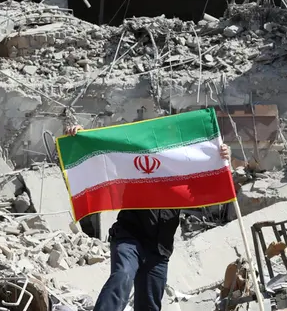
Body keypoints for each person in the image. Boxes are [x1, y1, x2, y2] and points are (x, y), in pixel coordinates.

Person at [64, 124, 232, 311]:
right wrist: (81, 137)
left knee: (149, 306)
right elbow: (105, 154)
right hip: (130, 238)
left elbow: (211, 187)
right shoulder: (134, 164)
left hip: (159, 250)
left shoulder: (181, 174)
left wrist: (222, 160)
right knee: (122, 275)